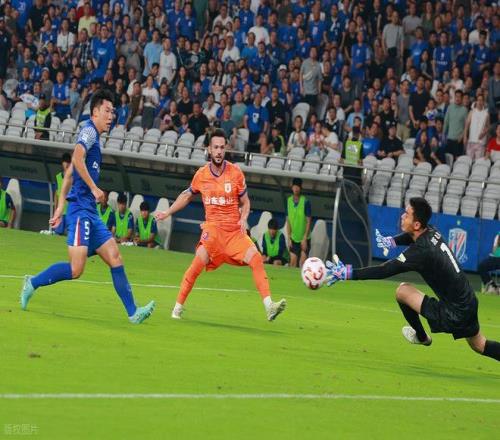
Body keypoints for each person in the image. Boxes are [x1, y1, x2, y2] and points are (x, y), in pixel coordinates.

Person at [19, 89, 155, 324]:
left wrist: (59, 207)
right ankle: (32, 283)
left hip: (90, 212)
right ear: (95, 112)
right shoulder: (89, 132)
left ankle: (133, 313)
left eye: (113, 112)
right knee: (76, 269)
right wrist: (93, 188)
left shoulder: (95, 139)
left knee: (115, 257)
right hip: (81, 212)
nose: (111, 116)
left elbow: (69, 175)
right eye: (107, 111)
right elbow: (77, 158)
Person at [325, 197, 500, 362]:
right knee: (479, 345)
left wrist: (348, 273)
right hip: (469, 301)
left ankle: (422, 337)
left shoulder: (421, 252)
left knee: (402, 291)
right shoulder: (432, 231)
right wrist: (391, 242)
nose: (402, 216)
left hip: (454, 312)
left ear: (416, 224)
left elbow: (385, 270)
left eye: (407, 214)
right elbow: (411, 236)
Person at [155, 128, 286, 321]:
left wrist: (243, 218)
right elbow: (186, 196)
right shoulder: (201, 175)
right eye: (215, 147)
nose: (218, 151)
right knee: (196, 265)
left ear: (226, 148)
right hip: (213, 231)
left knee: (256, 258)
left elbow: (246, 202)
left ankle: (269, 306)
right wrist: (167, 212)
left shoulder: (236, 173)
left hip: (234, 233)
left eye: (222, 148)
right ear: (209, 149)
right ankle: (177, 308)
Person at [286, 178, 311, 268]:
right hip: (293, 238)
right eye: (295, 186)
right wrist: (289, 238)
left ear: (301, 188)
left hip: (304, 238)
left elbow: (308, 221)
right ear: (292, 187)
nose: (296, 189)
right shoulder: (289, 201)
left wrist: (304, 238)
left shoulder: (306, 202)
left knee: (302, 263)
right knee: (292, 263)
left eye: (298, 187)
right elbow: (288, 220)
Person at [53, 153, 71, 235]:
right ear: (62, 163)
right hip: (60, 211)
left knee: (71, 235)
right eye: (65, 162)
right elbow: (56, 194)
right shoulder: (58, 177)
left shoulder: (74, 177)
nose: (66, 164)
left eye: (68, 162)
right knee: (57, 234)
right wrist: (55, 210)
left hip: (71, 211)